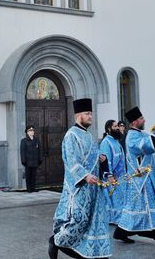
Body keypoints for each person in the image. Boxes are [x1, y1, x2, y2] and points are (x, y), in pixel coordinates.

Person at [49, 98, 112, 259]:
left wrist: (101, 159)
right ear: (78, 115)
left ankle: (92, 252)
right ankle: (55, 241)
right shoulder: (71, 135)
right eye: (87, 113)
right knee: (78, 221)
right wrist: (84, 175)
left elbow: (92, 157)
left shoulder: (89, 136)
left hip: (93, 188)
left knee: (93, 221)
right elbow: (71, 160)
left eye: (91, 113)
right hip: (78, 188)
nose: (91, 116)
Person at [113, 106, 155, 249]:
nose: (144, 120)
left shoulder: (140, 133)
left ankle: (121, 232)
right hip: (139, 181)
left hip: (146, 178)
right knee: (149, 208)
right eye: (141, 118)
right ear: (134, 122)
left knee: (137, 210)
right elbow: (146, 146)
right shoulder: (132, 137)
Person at [99, 119, 126, 225]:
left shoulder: (116, 141)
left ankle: (119, 218)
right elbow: (106, 160)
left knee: (119, 198)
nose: (118, 128)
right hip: (110, 177)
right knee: (112, 199)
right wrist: (109, 175)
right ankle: (113, 219)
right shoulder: (106, 142)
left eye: (117, 126)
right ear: (109, 129)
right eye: (115, 126)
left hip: (119, 176)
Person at [20, 125, 42, 193]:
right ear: (27, 132)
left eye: (32, 130)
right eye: (30, 130)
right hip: (28, 161)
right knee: (28, 175)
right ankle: (29, 188)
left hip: (35, 160)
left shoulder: (36, 140)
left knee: (34, 175)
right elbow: (22, 151)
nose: (32, 132)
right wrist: (23, 160)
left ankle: (33, 187)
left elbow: (40, 150)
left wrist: (40, 159)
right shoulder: (24, 141)